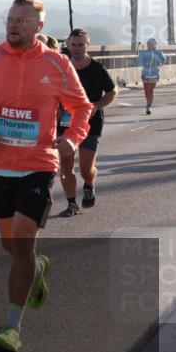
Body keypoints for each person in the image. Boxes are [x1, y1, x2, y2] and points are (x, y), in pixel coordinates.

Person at [0, 0, 93, 352]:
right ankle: (35, 268)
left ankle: (12, 326)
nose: (14, 24)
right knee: (10, 245)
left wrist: (72, 138)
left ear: (39, 27)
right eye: (11, 19)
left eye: (23, 20)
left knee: (21, 242)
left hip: (38, 165)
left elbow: (82, 107)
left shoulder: (57, 63)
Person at [57, 28, 116, 216]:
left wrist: (95, 106)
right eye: (73, 45)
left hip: (91, 124)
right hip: (65, 124)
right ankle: (72, 204)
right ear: (67, 44)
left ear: (87, 45)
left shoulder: (97, 69)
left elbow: (112, 92)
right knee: (65, 166)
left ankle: (89, 184)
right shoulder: (63, 68)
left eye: (80, 45)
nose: (76, 48)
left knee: (85, 169)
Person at [136, 38, 168, 115]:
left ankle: (148, 106)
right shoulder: (144, 53)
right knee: (146, 91)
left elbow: (164, 59)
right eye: (147, 44)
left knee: (150, 90)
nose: (148, 45)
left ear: (154, 44)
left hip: (154, 74)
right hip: (145, 74)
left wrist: (160, 63)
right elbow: (138, 61)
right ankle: (148, 103)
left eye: (150, 44)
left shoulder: (158, 52)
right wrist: (142, 63)